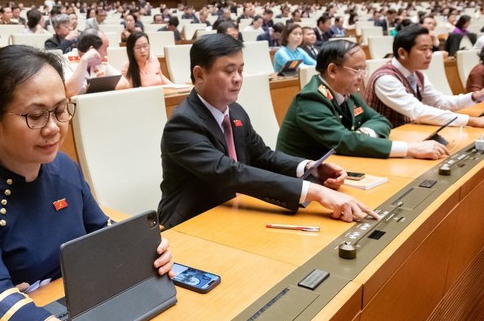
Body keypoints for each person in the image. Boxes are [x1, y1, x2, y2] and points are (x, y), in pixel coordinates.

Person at [0, 45, 194, 321]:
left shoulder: (63, 168)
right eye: (35, 115)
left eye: (61, 111)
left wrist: (143, 250)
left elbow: (100, 235)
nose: (53, 129)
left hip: (76, 316)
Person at [158, 34, 378, 228]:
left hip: (237, 210)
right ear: (199, 75)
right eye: (229, 71)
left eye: (241, 70)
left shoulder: (235, 111)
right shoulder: (183, 124)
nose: (238, 78)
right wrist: (315, 191)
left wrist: (311, 168)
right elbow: (231, 173)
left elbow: (263, 156)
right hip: (193, 220)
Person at [277, 40, 449, 160]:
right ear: (332, 71)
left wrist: (364, 133)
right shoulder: (311, 100)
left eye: (363, 70)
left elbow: (380, 119)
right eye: (357, 70)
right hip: (301, 178)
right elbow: (345, 142)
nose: (361, 77)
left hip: (337, 167)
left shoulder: (348, 92)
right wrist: (410, 148)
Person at [365, 25, 484, 129]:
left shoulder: (417, 74)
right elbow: (419, 112)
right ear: (402, 53)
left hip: (412, 134)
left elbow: (440, 102)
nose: (429, 54)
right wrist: (473, 121)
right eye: (423, 49)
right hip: (389, 140)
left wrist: (475, 96)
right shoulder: (385, 79)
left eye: (430, 49)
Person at [64, 31, 128, 97]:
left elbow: (125, 83)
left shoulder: (100, 62)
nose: (106, 54)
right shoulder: (65, 60)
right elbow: (70, 92)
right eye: (105, 50)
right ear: (92, 50)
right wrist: (84, 60)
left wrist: (102, 84)